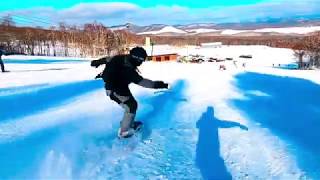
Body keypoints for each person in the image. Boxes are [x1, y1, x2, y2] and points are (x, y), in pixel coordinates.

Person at [91, 47, 169, 138]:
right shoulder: (128, 71)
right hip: (115, 90)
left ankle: (128, 123)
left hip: (119, 86)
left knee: (131, 105)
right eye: (142, 60)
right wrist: (163, 85)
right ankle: (124, 131)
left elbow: (108, 59)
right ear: (137, 59)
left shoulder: (122, 58)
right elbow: (146, 83)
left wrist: (98, 62)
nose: (142, 62)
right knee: (131, 106)